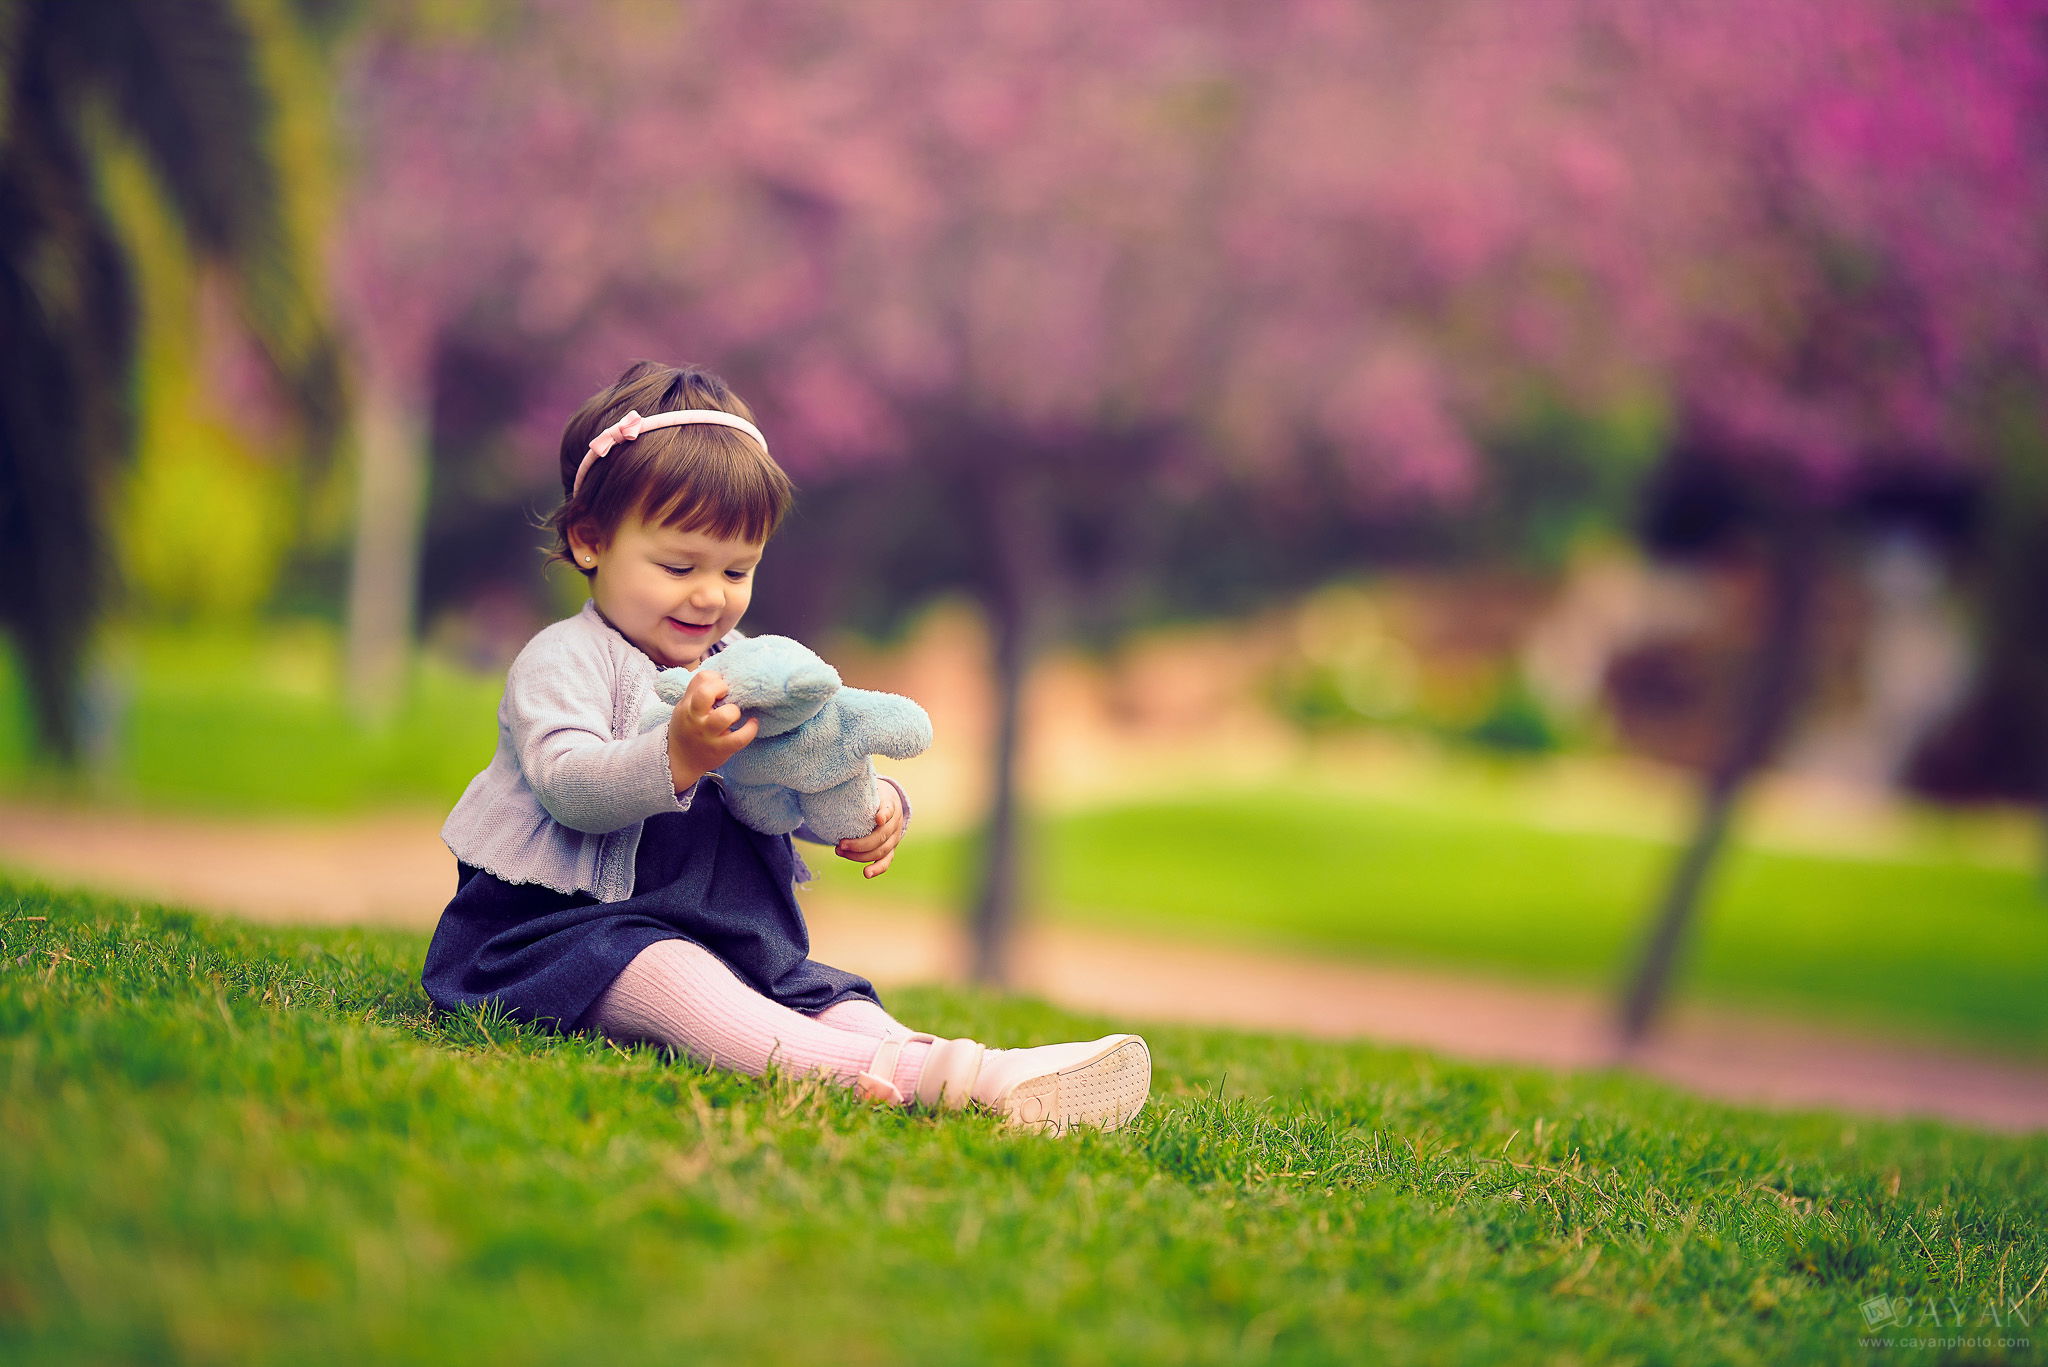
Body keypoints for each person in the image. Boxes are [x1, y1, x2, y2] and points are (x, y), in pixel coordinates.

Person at [422, 360, 1151, 1135]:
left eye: (737, 568)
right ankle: (917, 1079)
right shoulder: (564, 659)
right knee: (673, 975)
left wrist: (868, 807)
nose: (710, 594)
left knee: (829, 996)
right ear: (590, 540)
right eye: (679, 565)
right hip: (560, 935)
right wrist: (677, 756)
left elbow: (789, 776)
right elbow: (568, 785)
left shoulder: (747, 664)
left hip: (731, 936)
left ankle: (980, 1068)